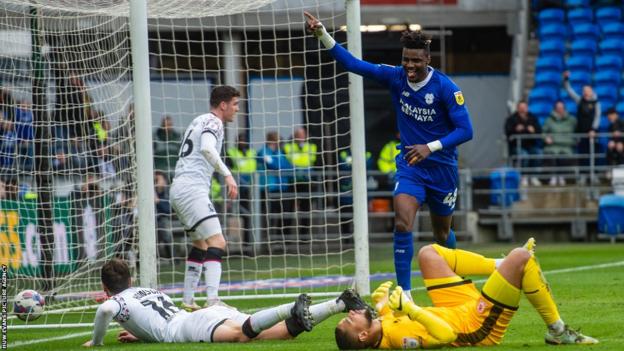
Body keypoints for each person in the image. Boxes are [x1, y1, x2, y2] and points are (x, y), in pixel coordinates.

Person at [305, 12, 473, 298]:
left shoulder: (446, 88)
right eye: (406, 59)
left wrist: (430, 147)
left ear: (427, 60)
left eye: (416, 60)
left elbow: (466, 130)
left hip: (442, 168)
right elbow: (353, 64)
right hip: (410, 165)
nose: (409, 65)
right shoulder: (395, 77)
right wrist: (322, 33)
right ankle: (404, 294)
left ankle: (455, 278)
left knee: (442, 234)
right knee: (402, 221)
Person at [334, 238, 598, 349]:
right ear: (362, 334)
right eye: (350, 319)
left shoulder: (380, 327)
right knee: (521, 257)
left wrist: (383, 306)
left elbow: (390, 322)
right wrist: (411, 308)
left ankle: (497, 264)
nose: (353, 312)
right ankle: (558, 330)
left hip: (456, 307)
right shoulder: (399, 338)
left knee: (428, 253)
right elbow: (446, 335)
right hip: (474, 324)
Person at [83, 258, 370, 347]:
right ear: (131, 280)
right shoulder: (145, 291)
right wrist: (139, 334)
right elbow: (155, 317)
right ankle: (339, 303)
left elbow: (107, 308)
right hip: (206, 314)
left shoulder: (118, 300)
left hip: (189, 327)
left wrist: (96, 342)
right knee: (280, 332)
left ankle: (288, 308)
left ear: (105, 287)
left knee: (240, 335)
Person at [169, 85, 240, 311]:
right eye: (235, 104)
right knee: (218, 242)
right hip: (191, 189)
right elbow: (208, 149)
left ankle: (188, 300)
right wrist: (228, 175)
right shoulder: (214, 122)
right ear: (223, 105)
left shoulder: (198, 120)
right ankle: (213, 300)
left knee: (200, 244)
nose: (237, 109)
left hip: (179, 189)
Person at [563, 71, 601, 180]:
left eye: (587, 90)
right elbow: (569, 90)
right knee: (582, 155)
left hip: (592, 134)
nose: (585, 92)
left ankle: (593, 175)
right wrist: (566, 80)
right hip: (581, 133)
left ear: (591, 91)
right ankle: (583, 175)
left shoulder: (596, 103)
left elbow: (597, 116)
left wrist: (593, 129)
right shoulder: (579, 100)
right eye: (584, 90)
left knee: (593, 155)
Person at [257, 131, 295, 241]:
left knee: (285, 213)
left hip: (283, 187)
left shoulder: (279, 152)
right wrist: (279, 166)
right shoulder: (263, 152)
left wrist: (279, 166)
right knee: (270, 215)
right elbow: (273, 165)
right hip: (270, 188)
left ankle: (283, 239)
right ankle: (269, 240)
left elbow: (289, 166)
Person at [283, 126, 317, 236]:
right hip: (291, 180)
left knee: (306, 208)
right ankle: (286, 236)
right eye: (298, 135)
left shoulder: (311, 147)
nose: (301, 137)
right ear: (295, 136)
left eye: (303, 135)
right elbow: (287, 161)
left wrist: (300, 169)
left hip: (306, 181)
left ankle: (304, 236)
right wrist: (297, 168)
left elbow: (311, 161)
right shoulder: (288, 147)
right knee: (288, 208)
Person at [504, 100, 542, 187]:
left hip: (530, 145)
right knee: (524, 155)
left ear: (527, 108)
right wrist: (515, 130)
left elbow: (539, 131)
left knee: (538, 153)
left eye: (524, 108)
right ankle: (523, 176)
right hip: (516, 146)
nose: (523, 110)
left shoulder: (533, 118)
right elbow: (508, 132)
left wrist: (533, 131)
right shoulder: (512, 119)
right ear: (517, 108)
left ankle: (533, 176)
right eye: (521, 108)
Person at [542, 101, 577, 186]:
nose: (560, 109)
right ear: (555, 109)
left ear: (564, 108)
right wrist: (545, 138)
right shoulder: (549, 120)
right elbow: (543, 132)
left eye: (561, 108)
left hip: (566, 146)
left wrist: (575, 140)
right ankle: (553, 176)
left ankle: (562, 176)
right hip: (552, 146)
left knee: (563, 156)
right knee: (551, 157)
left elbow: (578, 131)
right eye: (558, 108)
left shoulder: (572, 120)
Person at [154, 171, 173, 259]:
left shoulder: (167, 193)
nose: (157, 181)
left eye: (159, 179)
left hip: (162, 219)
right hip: (152, 220)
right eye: (156, 180)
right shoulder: (151, 192)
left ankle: (171, 257)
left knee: (165, 229)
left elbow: (168, 210)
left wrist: (158, 201)